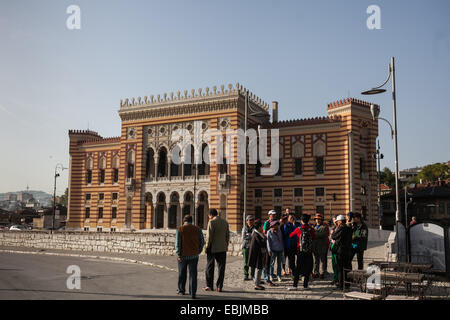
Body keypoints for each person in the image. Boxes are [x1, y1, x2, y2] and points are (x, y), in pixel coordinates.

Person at [175, 215, 205, 299]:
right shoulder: (198, 229)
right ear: (192, 221)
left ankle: (181, 290)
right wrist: (198, 251)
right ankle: (192, 293)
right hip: (194, 256)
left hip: (183, 256)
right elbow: (202, 242)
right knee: (193, 274)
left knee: (182, 273)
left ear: (184, 221)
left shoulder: (180, 229)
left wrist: (178, 254)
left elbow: (177, 244)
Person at [203, 208, 230, 292]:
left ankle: (209, 285)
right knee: (221, 268)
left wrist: (206, 247)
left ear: (211, 215)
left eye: (209, 216)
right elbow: (227, 235)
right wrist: (226, 245)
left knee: (209, 267)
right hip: (222, 248)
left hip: (212, 248)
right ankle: (219, 286)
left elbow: (209, 237)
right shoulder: (225, 222)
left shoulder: (211, 222)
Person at [288, 214, 315, 290]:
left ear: (301, 221)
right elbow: (313, 237)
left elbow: (290, 235)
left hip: (300, 251)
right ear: (308, 220)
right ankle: (305, 285)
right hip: (309, 252)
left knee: (298, 268)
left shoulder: (298, 229)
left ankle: (295, 285)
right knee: (308, 268)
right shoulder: (311, 229)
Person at [331, 214, 353, 290]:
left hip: (341, 251)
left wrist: (334, 232)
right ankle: (347, 284)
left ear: (340, 221)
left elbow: (333, 236)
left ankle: (341, 285)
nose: (337, 223)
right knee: (347, 268)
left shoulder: (341, 228)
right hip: (348, 250)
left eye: (337, 222)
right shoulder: (349, 228)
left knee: (340, 268)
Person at [248, 219, 268, 290]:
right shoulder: (256, 234)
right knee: (258, 269)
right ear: (259, 227)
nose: (263, 227)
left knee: (259, 268)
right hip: (257, 255)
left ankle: (258, 281)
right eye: (262, 226)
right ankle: (256, 284)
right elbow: (261, 243)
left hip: (259, 254)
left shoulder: (258, 233)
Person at [312, 214, 330, 279]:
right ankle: (316, 272)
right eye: (316, 219)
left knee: (323, 260)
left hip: (322, 246)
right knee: (316, 261)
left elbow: (322, 234)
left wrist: (314, 234)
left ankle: (323, 272)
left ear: (321, 220)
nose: (317, 220)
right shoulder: (313, 227)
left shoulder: (324, 227)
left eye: (319, 219)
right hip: (315, 246)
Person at [241, 215, 255, 281]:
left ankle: (253, 275)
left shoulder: (254, 228)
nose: (251, 221)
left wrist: (248, 235)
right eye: (250, 220)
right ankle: (246, 274)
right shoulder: (244, 228)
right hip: (245, 247)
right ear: (247, 221)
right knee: (245, 262)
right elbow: (244, 237)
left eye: (252, 220)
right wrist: (251, 235)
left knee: (253, 261)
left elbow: (254, 236)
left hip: (253, 247)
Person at [329, 216, 339, 285]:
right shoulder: (334, 228)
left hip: (338, 248)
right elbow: (330, 237)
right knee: (334, 264)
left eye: (335, 220)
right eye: (333, 220)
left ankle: (338, 279)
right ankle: (335, 278)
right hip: (333, 247)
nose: (334, 222)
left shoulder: (340, 228)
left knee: (338, 264)